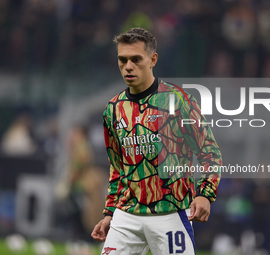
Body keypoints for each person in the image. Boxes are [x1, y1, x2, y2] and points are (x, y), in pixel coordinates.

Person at [91, 27, 222, 255]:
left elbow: (209, 152)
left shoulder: (178, 100)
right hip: (126, 215)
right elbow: (118, 167)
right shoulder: (113, 109)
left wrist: (204, 194)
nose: (128, 66)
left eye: (135, 59)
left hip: (170, 213)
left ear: (153, 60)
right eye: (122, 60)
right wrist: (110, 211)